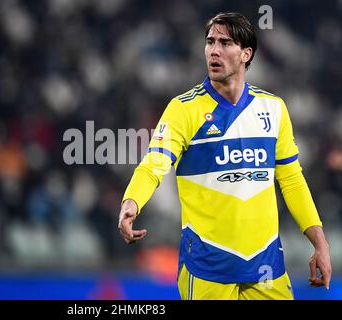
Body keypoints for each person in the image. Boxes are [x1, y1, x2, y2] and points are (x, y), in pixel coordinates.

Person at [118, 12, 332, 300]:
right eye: (210, 42)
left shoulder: (273, 108)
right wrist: (132, 202)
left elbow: (292, 180)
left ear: (246, 53)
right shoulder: (183, 110)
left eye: (225, 42)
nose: (214, 50)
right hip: (208, 270)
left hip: (266, 267)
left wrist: (319, 243)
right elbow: (152, 165)